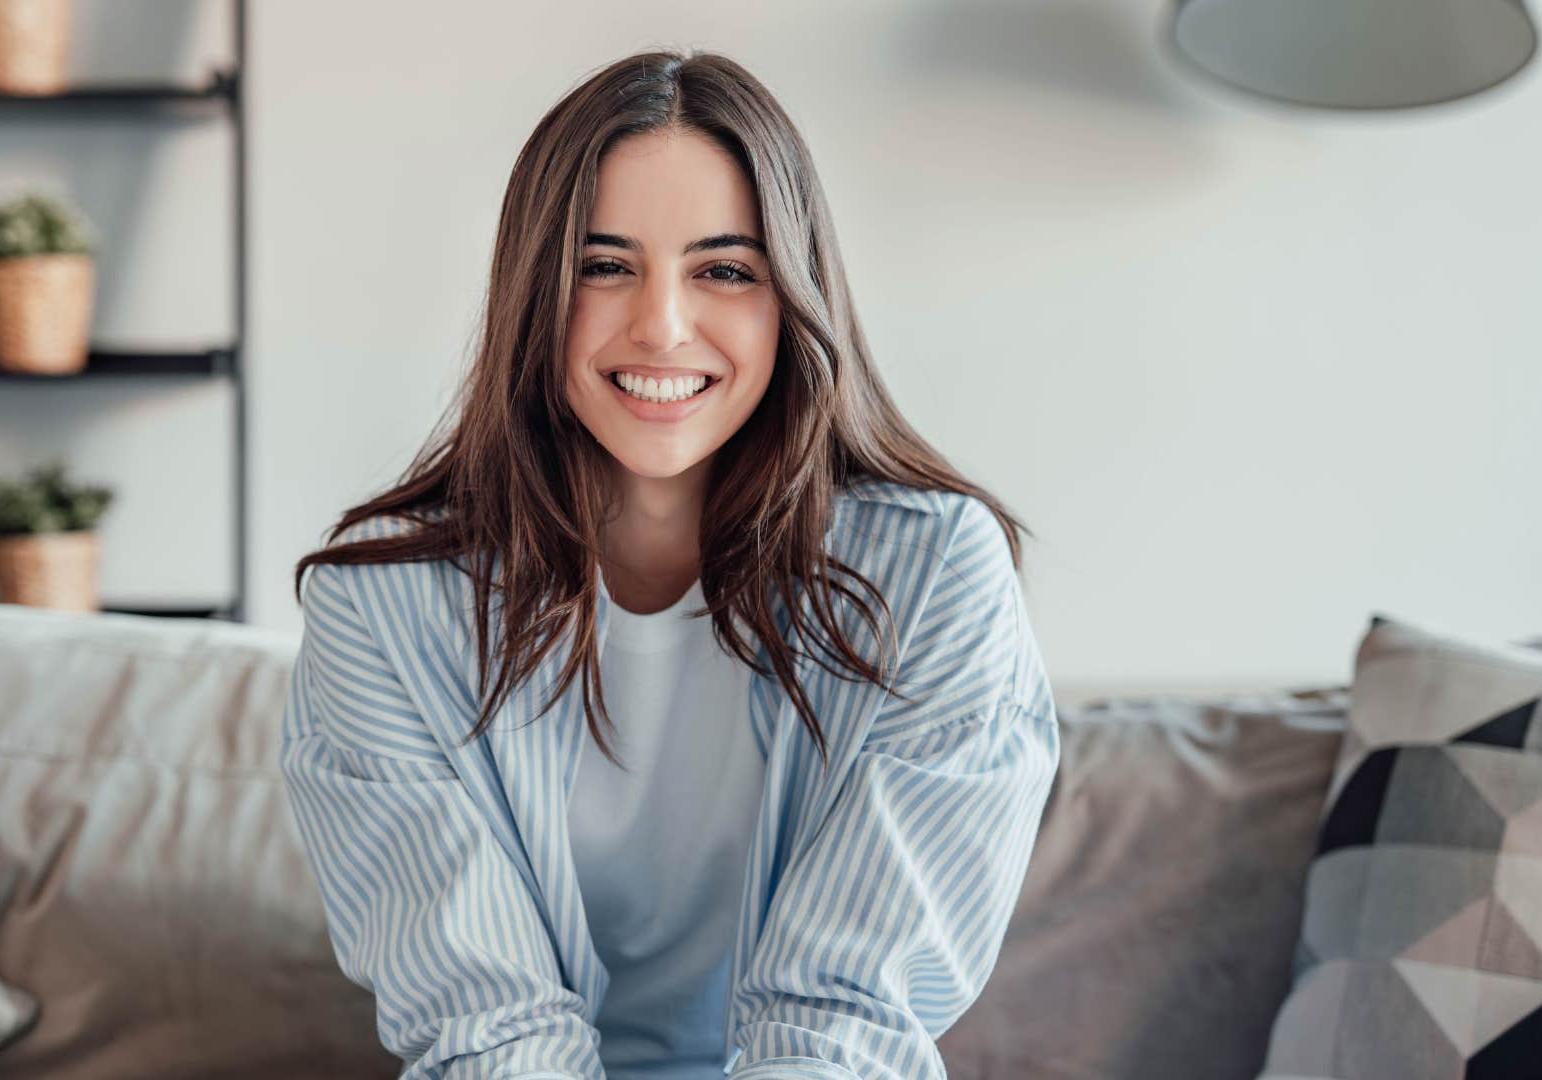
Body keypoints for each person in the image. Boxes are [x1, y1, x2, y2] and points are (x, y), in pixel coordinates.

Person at [280, 47, 1061, 1080]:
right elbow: (485, 1024)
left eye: (725, 270)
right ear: (534, 291)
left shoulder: (935, 576)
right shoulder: (376, 606)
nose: (661, 325)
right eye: (604, 265)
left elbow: (847, 1019)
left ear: (795, 295)